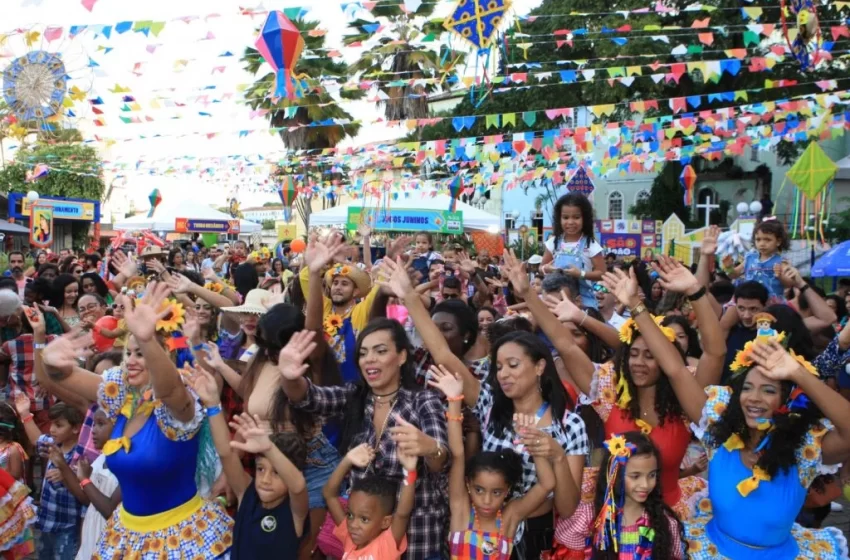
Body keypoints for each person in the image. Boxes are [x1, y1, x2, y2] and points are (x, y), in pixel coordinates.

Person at [36, 282, 233, 558]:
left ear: (167, 356)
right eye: (129, 353)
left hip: (183, 538)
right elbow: (61, 376)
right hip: (127, 537)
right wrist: (52, 360)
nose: (131, 360)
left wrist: (147, 340)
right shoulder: (123, 396)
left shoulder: (180, 405)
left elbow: (169, 388)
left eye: (140, 353)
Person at [278, 320, 449, 560]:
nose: (369, 359)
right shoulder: (355, 397)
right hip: (362, 547)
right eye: (363, 353)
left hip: (417, 540)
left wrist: (430, 447)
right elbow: (309, 398)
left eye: (380, 351)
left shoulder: (423, 402)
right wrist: (289, 377)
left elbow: (441, 462)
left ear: (401, 357)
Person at [430, 365, 555, 559]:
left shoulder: (510, 517)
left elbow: (547, 484)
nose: (486, 500)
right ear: (468, 486)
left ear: (507, 491)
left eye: (496, 492)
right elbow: (457, 453)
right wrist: (454, 399)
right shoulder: (462, 510)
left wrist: (532, 439)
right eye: (479, 490)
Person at [193, 358, 310, 559]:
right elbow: (226, 454)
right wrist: (213, 404)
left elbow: (298, 486)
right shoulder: (246, 494)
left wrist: (269, 448)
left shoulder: (294, 511)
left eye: (277, 473)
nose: (264, 479)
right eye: (261, 469)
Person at [553, 432, 685, 559]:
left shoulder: (662, 522)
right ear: (614, 475)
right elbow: (570, 553)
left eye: (652, 475)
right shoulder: (589, 518)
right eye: (635, 476)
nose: (645, 484)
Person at [301, 236, 379, 383]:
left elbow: (378, 290)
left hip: (352, 390)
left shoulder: (359, 311)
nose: (337, 287)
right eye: (335, 283)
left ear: (355, 292)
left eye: (344, 284)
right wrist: (321, 262)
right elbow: (306, 277)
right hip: (321, 386)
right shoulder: (323, 306)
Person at [46, 406, 119, 560]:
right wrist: (62, 465)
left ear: (120, 425)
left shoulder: (128, 464)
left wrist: (84, 479)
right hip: (92, 534)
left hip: (111, 538)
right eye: (93, 424)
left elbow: (109, 511)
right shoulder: (102, 458)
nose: (93, 430)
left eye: (100, 424)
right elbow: (87, 500)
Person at [16, 396, 84, 560]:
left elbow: (84, 490)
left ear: (75, 428)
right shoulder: (54, 444)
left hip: (68, 527)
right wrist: (25, 413)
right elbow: (36, 439)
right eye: (52, 424)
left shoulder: (81, 455)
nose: (52, 429)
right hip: (47, 523)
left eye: (59, 425)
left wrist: (66, 475)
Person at [323, 443, 416, 560]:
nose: (353, 525)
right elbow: (329, 495)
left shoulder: (385, 545)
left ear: (385, 522)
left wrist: (410, 471)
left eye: (364, 519)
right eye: (350, 515)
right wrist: (347, 460)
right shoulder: (350, 539)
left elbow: (403, 513)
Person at [540, 193, 605, 309]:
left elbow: (602, 273)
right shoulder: (553, 243)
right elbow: (541, 268)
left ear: (585, 218)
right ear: (559, 218)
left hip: (584, 302)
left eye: (576, 217)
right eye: (565, 217)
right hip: (555, 300)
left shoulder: (591, 245)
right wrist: (547, 269)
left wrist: (581, 274)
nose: (570, 222)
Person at [723, 219, 790, 303]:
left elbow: (790, 284)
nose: (762, 243)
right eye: (758, 239)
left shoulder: (781, 262)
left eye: (767, 240)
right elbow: (734, 275)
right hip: (748, 301)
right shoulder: (749, 258)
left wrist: (780, 276)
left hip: (771, 303)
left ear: (778, 242)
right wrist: (729, 267)